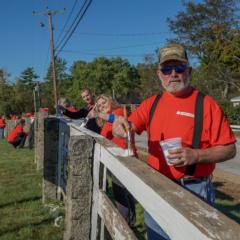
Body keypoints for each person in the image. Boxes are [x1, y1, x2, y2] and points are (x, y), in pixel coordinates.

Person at [112, 43, 236, 240]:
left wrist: (196, 155)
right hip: (158, 186)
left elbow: (229, 149)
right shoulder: (151, 103)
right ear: (159, 73)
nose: (173, 74)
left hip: (195, 189)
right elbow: (126, 127)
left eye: (179, 68)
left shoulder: (207, 104)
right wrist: (118, 128)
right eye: (166, 69)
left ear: (189, 70)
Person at [88, 94, 137, 227]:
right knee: (124, 193)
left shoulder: (119, 112)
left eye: (104, 103)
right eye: (99, 105)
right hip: (116, 159)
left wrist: (99, 114)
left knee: (120, 194)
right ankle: (130, 222)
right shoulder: (104, 122)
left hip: (123, 159)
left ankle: (123, 225)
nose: (101, 106)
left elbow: (118, 119)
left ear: (111, 102)